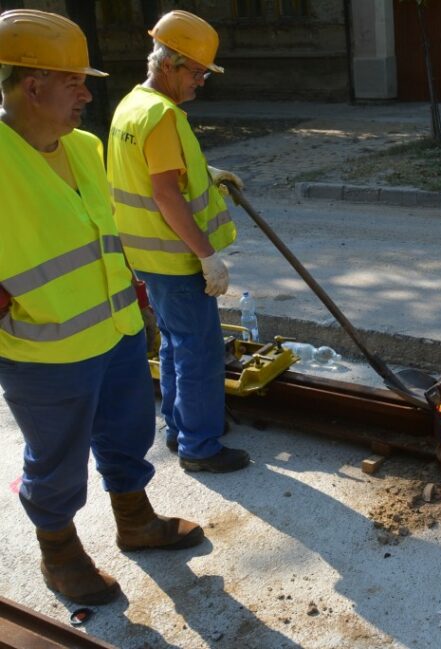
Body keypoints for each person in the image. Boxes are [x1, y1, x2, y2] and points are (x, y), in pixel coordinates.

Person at [0, 9, 204, 605]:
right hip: (46, 350)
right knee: (57, 461)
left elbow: (113, 223)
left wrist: (137, 302)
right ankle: (60, 555)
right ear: (33, 86)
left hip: (114, 330)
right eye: (74, 82)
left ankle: (135, 521)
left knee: (128, 431)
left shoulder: (85, 147)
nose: (88, 93)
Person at [107, 10, 248, 473]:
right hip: (176, 259)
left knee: (173, 344)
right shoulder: (163, 116)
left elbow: (154, 173)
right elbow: (166, 193)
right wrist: (207, 256)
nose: (202, 81)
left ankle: (179, 427)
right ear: (169, 63)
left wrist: (207, 174)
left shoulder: (132, 106)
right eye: (198, 71)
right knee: (199, 353)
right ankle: (200, 446)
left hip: (145, 254)